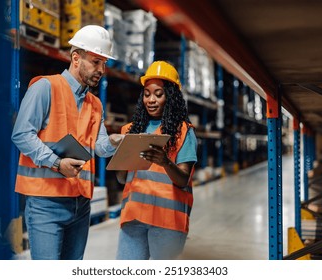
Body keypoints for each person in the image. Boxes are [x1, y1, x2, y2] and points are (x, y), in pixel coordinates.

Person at [11, 25, 123, 260]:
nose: (101, 70)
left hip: (80, 205)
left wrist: (113, 141)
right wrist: (55, 163)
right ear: (75, 58)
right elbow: (22, 134)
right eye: (95, 61)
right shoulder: (45, 87)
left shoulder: (95, 104)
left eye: (104, 64)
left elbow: (100, 147)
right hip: (46, 203)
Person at [115, 61, 197, 260]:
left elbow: (183, 179)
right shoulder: (129, 131)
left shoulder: (182, 132)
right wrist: (120, 156)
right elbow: (121, 179)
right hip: (133, 218)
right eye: (147, 94)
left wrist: (165, 161)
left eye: (158, 94)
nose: (151, 100)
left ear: (170, 97)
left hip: (168, 223)